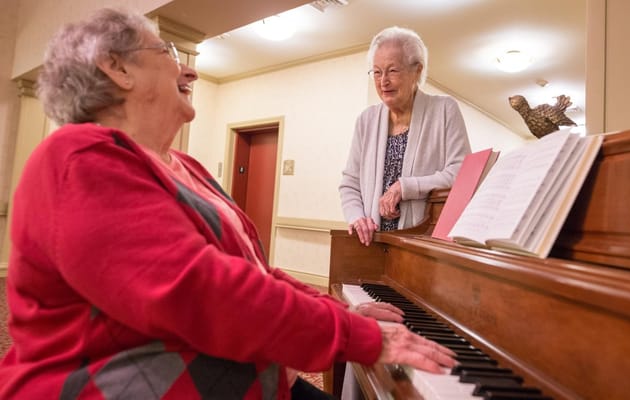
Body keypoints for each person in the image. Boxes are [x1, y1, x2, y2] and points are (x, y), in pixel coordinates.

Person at [0, 8, 457, 399]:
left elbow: (255, 273)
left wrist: (341, 311)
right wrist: (359, 336)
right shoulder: (78, 158)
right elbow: (203, 291)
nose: (191, 70)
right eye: (169, 54)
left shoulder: (184, 165)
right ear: (117, 68)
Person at [339, 26, 472, 246]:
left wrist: (405, 187)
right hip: (372, 244)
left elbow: (461, 174)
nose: (383, 82)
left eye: (393, 70)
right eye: (377, 72)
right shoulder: (366, 119)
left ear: (417, 71)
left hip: (423, 244)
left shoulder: (444, 109)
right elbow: (350, 184)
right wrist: (357, 217)